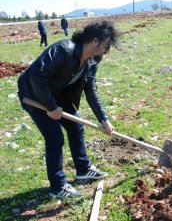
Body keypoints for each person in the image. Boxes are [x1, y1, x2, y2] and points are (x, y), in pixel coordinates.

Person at [18, 21, 118, 199]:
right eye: (107, 45)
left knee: (75, 126)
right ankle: (58, 187)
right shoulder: (64, 50)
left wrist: (103, 118)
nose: (107, 50)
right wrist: (50, 107)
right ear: (95, 41)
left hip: (57, 94)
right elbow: (36, 77)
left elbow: (90, 89)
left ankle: (83, 169)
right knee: (55, 138)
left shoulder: (93, 60)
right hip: (34, 95)